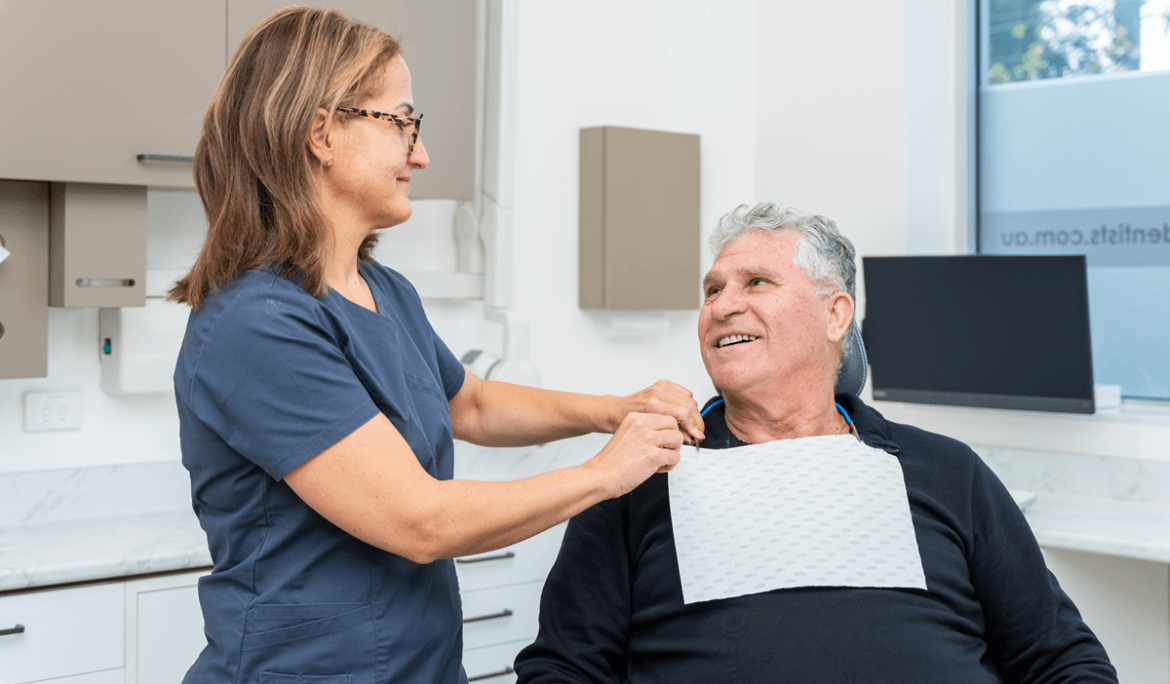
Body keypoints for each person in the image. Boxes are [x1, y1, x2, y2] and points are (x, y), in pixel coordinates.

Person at [168, 8, 704, 684]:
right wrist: (604, 473)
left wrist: (613, 409)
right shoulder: (257, 323)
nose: (420, 154)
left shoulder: (384, 292)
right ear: (321, 132)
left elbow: (471, 404)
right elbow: (419, 521)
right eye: (402, 123)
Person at [514, 202, 1118, 684]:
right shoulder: (642, 476)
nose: (723, 306)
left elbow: (1060, 658)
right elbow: (563, 669)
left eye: (756, 282)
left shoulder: (943, 470)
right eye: (712, 289)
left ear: (835, 317)